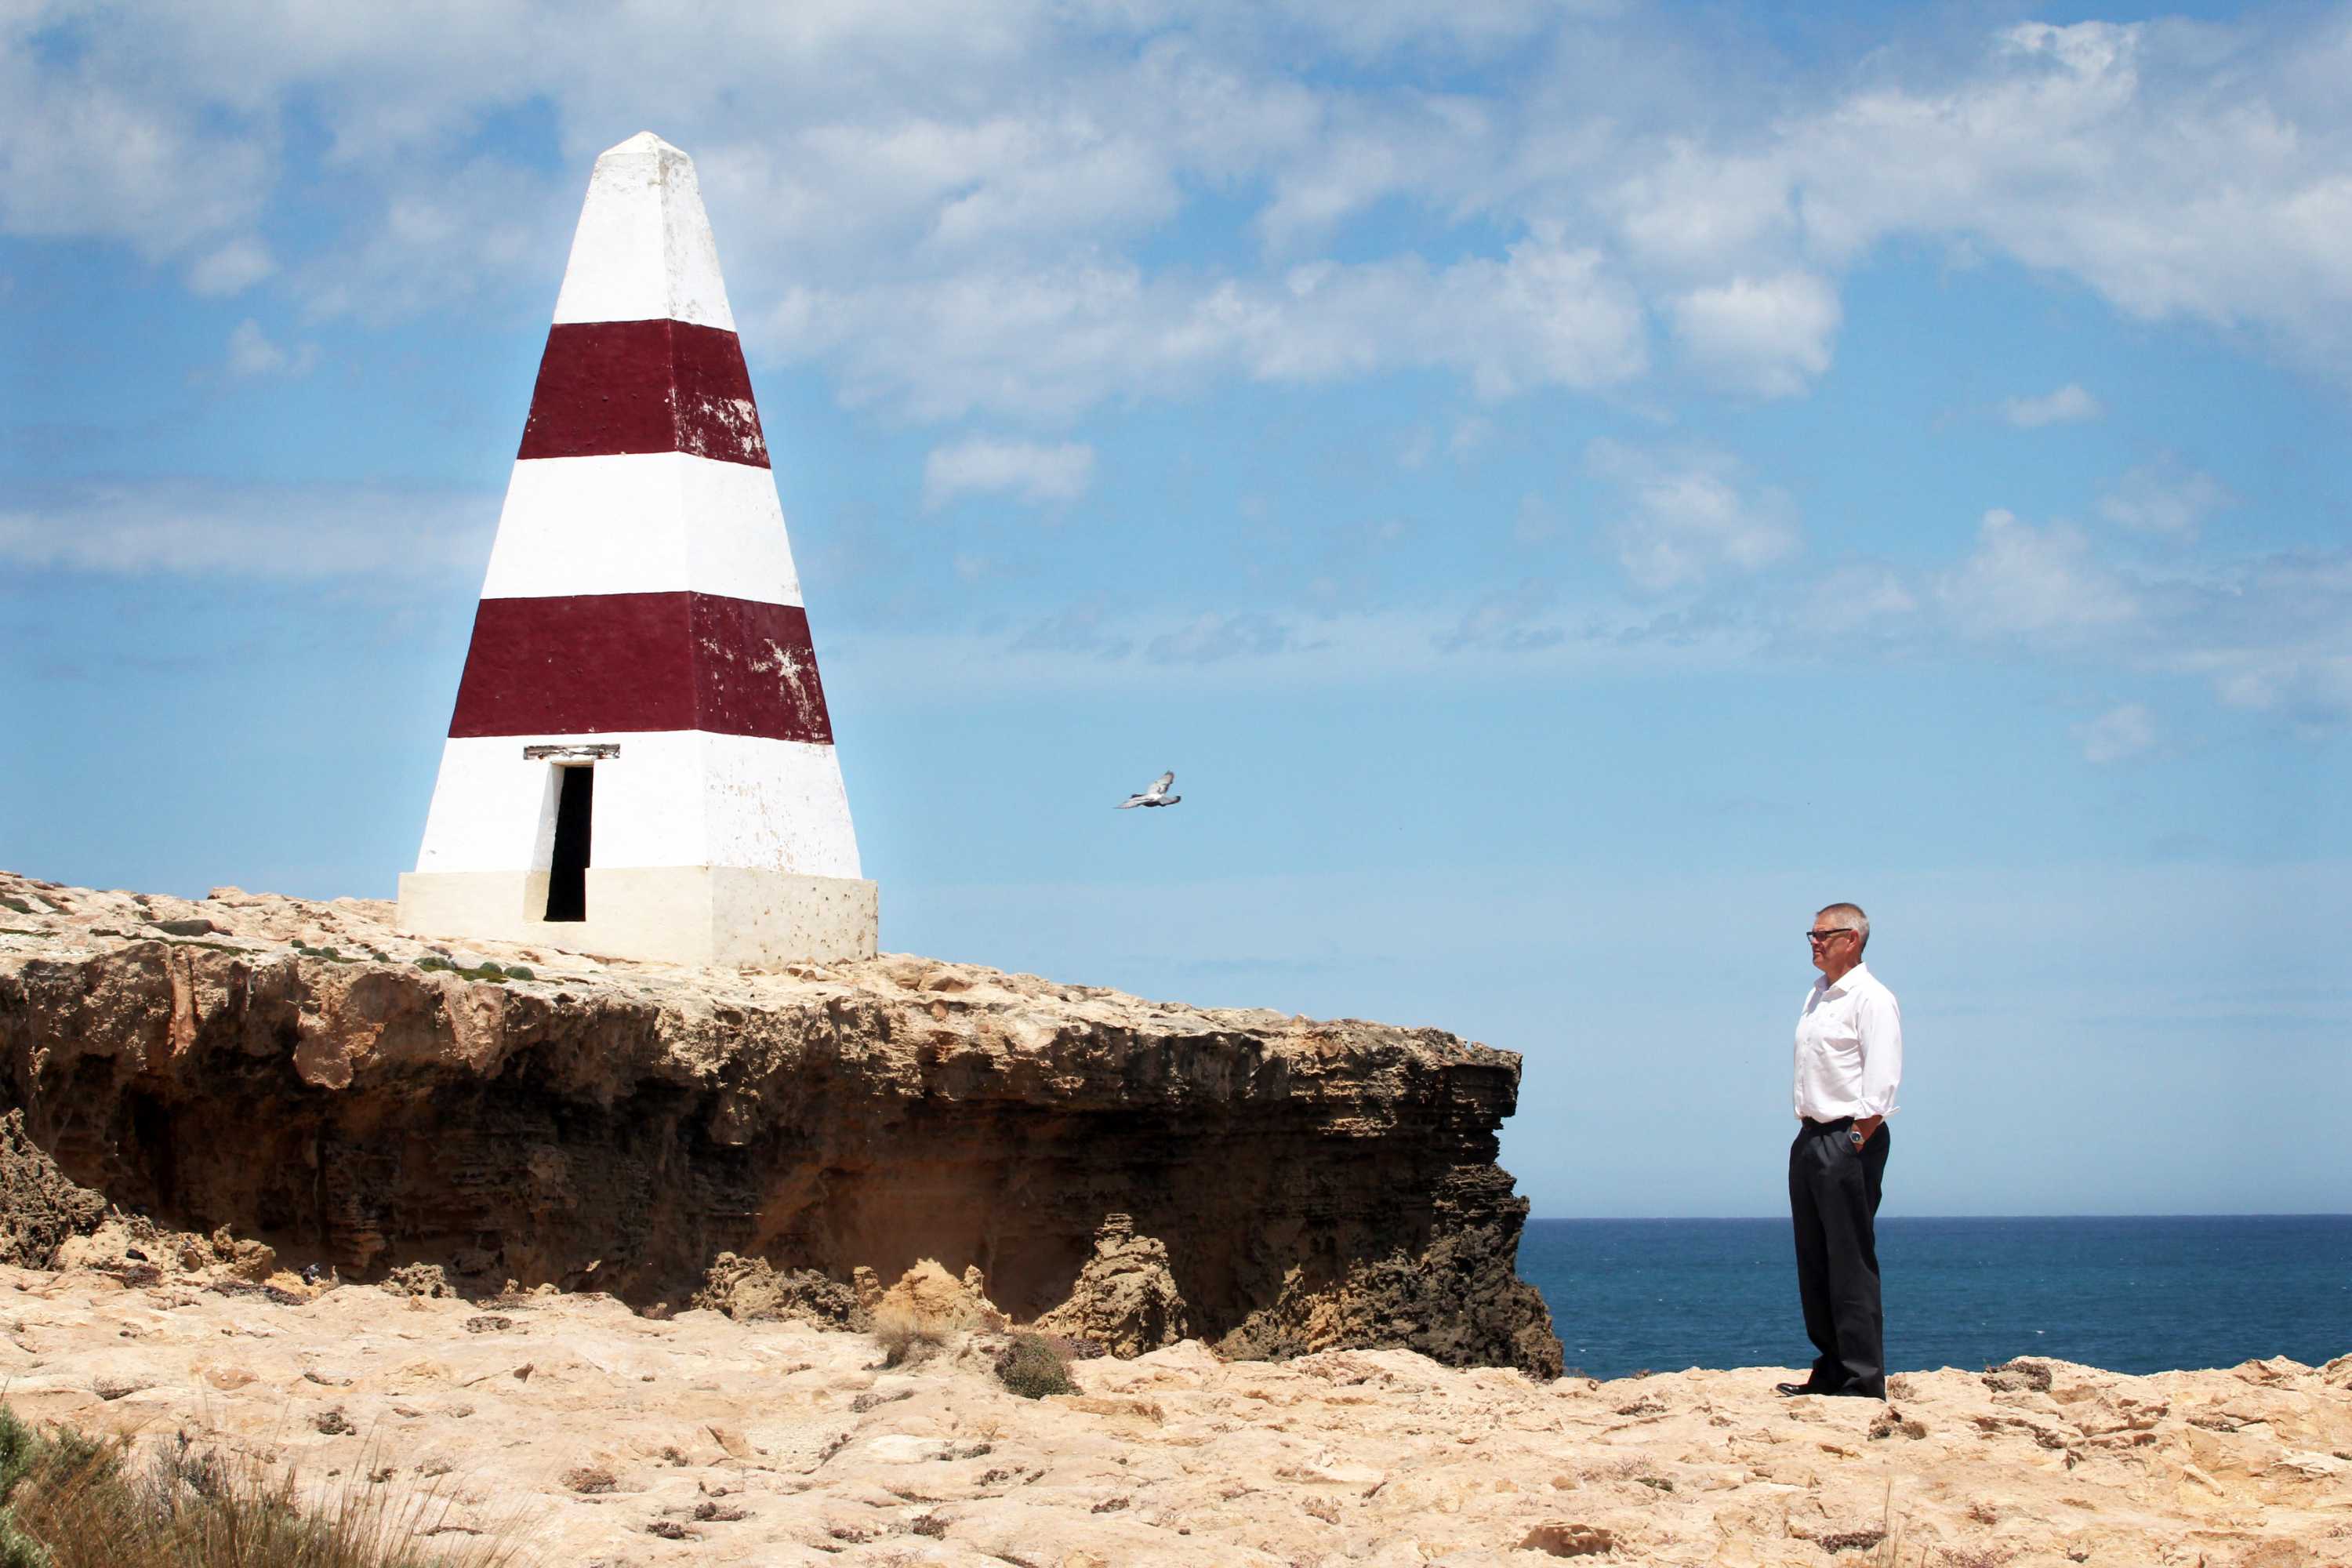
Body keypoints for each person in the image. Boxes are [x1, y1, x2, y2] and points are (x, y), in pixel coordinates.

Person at [1777, 901, 1902, 1400]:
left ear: (1851, 939)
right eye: (1811, 934)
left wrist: (1853, 1141)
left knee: (1850, 1259)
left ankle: (1861, 1378)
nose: (1814, 942)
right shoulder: (1817, 996)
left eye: (1823, 934)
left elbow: (1883, 1084)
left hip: (1850, 1136)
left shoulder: (1871, 998)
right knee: (1814, 1258)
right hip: (1811, 1136)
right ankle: (1830, 1369)